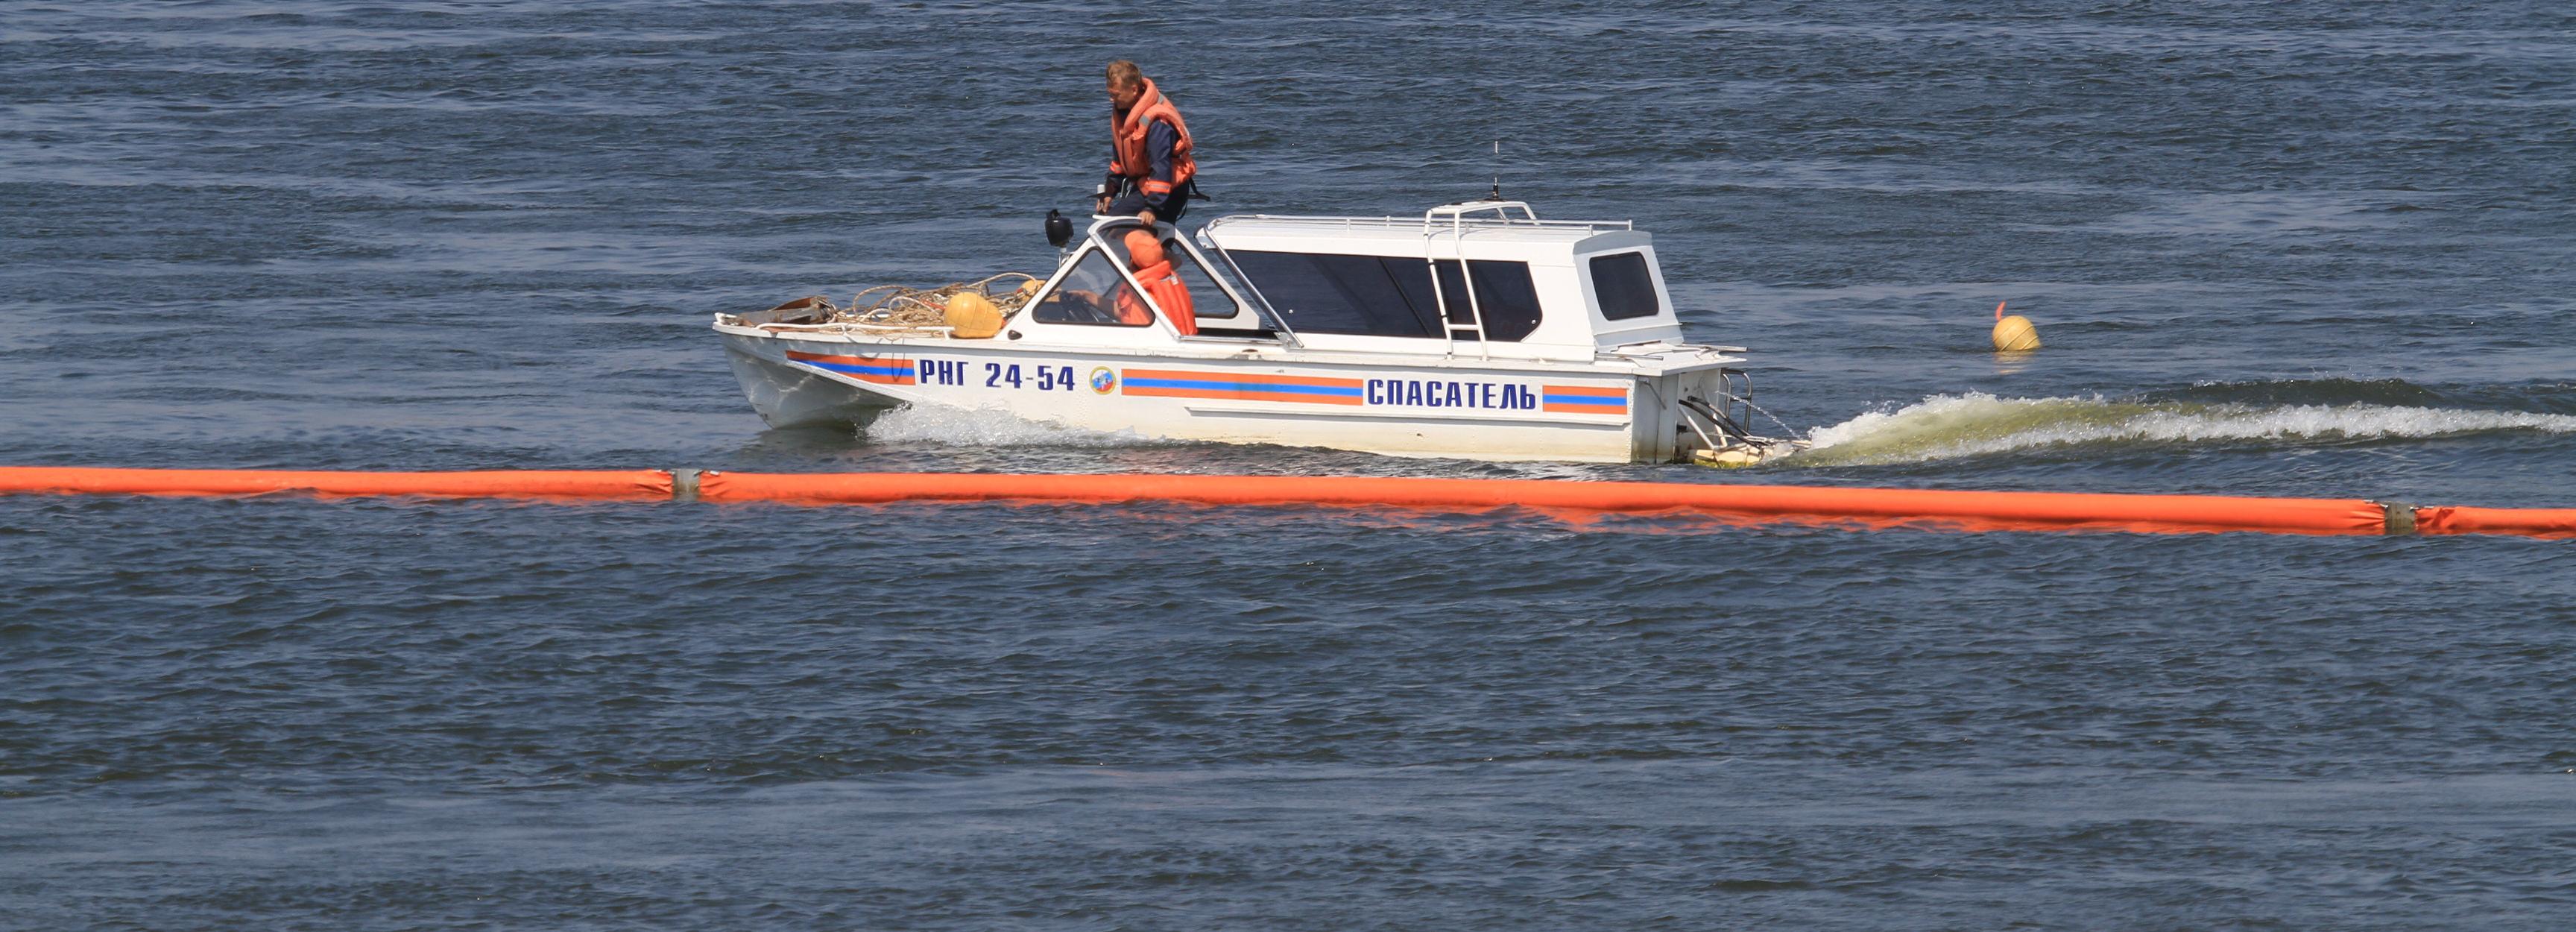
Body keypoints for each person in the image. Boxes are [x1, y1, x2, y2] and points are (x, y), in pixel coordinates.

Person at [1094, 60, 1197, 227]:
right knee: (1119, 230)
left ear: (1134, 90)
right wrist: (1109, 192)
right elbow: (1120, 161)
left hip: (1168, 190)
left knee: (1111, 226)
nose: (1111, 100)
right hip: (1145, 186)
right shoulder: (1124, 115)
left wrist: (1152, 208)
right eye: (1110, 94)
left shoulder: (1157, 124)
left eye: (1116, 95)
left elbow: (1161, 167)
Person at [1114, 229, 1196, 335]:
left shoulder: (1143, 295)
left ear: (1132, 262)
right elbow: (1124, 311)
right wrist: (1089, 297)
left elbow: (1138, 335)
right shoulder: (1169, 280)